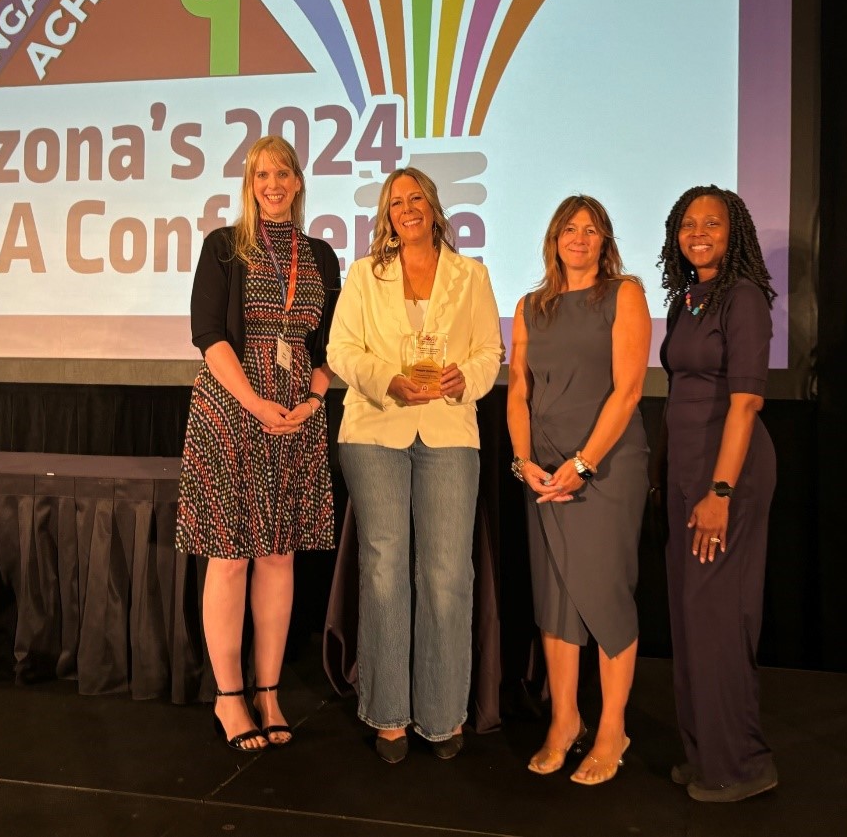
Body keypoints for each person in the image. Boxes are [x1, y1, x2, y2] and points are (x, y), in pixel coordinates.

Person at [326, 167, 503, 763]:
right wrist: (388, 382)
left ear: (433, 205)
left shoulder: (470, 274)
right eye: (396, 201)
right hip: (375, 426)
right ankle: (388, 714)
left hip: (450, 429)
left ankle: (442, 712)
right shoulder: (363, 275)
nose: (407, 208)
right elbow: (341, 349)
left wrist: (465, 379)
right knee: (384, 570)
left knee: (448, 575)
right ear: (387, 214)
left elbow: (489, 352)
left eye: (416, 197)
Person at [175, 136, 340, 752]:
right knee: (232, 555)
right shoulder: (223, 247)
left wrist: (313, 400)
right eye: (260, 173)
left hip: (297, 414)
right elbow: (210, 335)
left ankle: (268, 691)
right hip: (231, 409)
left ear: (299, 182)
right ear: (249, 183)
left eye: (282, 173)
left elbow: (330, 349)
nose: (271, 183)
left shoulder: (322, 257)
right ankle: (229, 697)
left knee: (279, 555)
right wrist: (253, 402)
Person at [506, 195, 650, 786]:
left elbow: (630, 390)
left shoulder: (625, 295)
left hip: (608, 466)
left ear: (605, 239)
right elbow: (518, 389)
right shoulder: (528, 307)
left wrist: (584, 463)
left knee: (605, 589)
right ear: (554, 238)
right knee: (555, 594)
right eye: (570, 228)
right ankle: (565, 721)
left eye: (591, 230)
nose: (580, 238)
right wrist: (523, 461)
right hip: (541, 468)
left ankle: (612, 727)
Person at [658, 184, 779, 801]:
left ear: (735, 234)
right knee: (690, 617)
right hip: (686, 473)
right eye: (687, 223)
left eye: (712, 222)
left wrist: (721, 491)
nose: (697, 232)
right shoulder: (689, 297)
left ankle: (741, 763)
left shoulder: (744, 297)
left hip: (725, 476)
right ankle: (705, 749)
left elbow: (747, 400)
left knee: (719, 618)